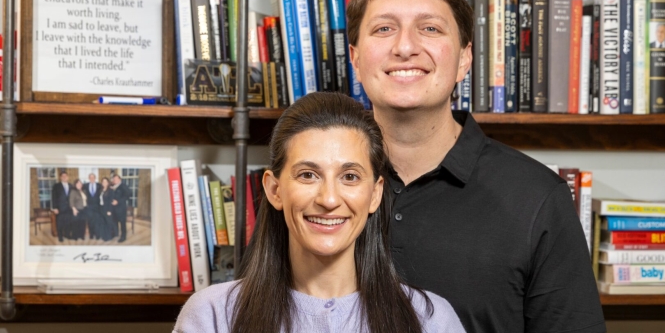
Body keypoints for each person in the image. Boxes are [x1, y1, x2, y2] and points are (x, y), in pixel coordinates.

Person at [347, 0, 605, 331]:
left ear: (465, 58)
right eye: (384, 28)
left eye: (431, 29)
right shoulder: (310, 190)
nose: (405, 47)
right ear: (355, 59)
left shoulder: (538, 198)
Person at [174, 93, 464, 333]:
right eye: (308, 175)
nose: (328, 199)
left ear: (375, 194)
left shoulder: (431, 320)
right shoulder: (212, 317)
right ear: (275, 190)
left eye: (349, 177)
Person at [51, 171, 73, 242]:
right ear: (60, 177)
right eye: (62, 176)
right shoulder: (56, 186)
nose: (64, 177)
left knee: (68, 222)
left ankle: (67, 234)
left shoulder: (71, 186)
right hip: (60, 208)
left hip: (69, 208)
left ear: (67, 177)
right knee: (60, 223)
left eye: (65, 176)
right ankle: (60, 236)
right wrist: (55, 208)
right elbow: (53, 197)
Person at [110, 174, 131, 243]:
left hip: (121, 209)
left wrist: (118, 201)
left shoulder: (123, 186)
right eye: (114, 179)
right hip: (113, 209)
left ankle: (123, 236)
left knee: (122, 223)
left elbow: (128, 196)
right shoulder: (113, 186)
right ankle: (115, 234)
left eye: (116, 179)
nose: (115, 180)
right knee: (114, 222)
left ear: (120, 179)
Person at [83, 173, 102, 240]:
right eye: (90, 177)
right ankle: (91, 234)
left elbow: (106, 188)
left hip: (97, 206)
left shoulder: (99, 185)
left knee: (97, 221)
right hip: (89, 207)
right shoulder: (85, 185)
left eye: (93, 177)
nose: (92, 179)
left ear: (95, 178)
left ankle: (97, 235)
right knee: (90, 221)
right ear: (89, 178)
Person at [97, 177, 115, 241]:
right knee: (103, 222)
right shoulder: (101, 190)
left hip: (107, 208)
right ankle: (104, 235)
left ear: (108, 183)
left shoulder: (110, 190)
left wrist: (109, 210)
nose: (104, 183)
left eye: (105, 182)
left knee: (108, 222)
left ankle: (109, 236)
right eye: (103, 182)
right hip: (101, 208)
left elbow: (111, 201)